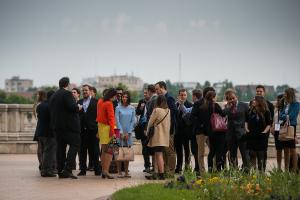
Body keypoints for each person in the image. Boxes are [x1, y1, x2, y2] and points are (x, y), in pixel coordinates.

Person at [49, 77, 81, 179]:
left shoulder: (54, 95)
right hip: (69, 127)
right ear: (67, 84)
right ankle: (67, 170)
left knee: (60, 149)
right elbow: (73, 107)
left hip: (57, 127)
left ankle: (60, 170)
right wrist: (79, 107)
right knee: (75, 144)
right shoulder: (67, 94)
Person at [77, 85, 101, 176]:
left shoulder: (96, 102)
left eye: (86, 90)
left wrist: (98, 130)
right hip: (82, 131)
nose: (84, 92)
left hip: (93, 130)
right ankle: (83, 170)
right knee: (82, 151)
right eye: (83, 91)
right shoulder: (79, 102)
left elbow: (99, 116)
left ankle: (97, 170)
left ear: (90, 91)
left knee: (95, 151)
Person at [223, 89, 250, 171]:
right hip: (231, 135)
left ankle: (246, 171)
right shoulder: (227, 107)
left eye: (233, 98)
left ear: (236, 97)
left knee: (245, 155)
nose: (232, 100)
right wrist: (228, 106)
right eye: (229, 99)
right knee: (232, 155)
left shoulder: (244, 105)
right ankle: (234, 171)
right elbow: (223, 113)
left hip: (242, 134)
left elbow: (248, 118)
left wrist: (247, 130)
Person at [145, 95, 170, 180]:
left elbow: (150, 123)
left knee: (158, 155)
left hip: (157, 136)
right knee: (158, 154)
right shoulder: (168, 111)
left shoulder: (156, 110)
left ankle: (161, 174)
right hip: (164, 136)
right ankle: (156, 173)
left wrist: (147, 133)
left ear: (157, 101)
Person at [191, 87, 215, 174]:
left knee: (213, 151)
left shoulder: (213, 104)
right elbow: (192, 116)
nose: (213, 96)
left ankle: (213, 170)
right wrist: (200, 125)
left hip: (211, 132)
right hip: (200, 132)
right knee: (201, 153)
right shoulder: (198, 103)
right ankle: (202, 172)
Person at [155, 81, 177, 174]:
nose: (156, 91)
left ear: (162, 87)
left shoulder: (169, 98)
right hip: (163, 129)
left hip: (169, 129)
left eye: (157, 89)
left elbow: (174, 111)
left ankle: (171, 171)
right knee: (164, 151)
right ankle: (165, 170)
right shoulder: (161, 98)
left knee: (170, 151)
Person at [246, 96, 272, 172]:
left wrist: (264, 132)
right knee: (252, 154)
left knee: (261, 155)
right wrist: (246, 129)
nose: (253, 101)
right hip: (251, 135)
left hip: (261, 136)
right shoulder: (250, 111)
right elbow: (246, 121)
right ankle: (254, 171)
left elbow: (269, 123)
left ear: (259, 102)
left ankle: (261, 172)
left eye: (255, 100)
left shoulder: (266, 111)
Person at [203, 91, 227, 172]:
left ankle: (210, 170)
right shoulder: (215, 105)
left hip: (210, 133)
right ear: (213, 97)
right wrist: (225, 106)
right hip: (219, 132)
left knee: (212, 152)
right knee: (219, 152)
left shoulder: (204, 106)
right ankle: (218, 170)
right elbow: (223, 114)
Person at [97, 88, 117, 179]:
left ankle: (103, 171)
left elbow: (98, 116)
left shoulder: (100, 101)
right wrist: (113, 131)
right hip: (109, 128)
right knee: (111, 151)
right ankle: (106, 171)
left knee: (104, 150)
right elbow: (111, 118)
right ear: (112, 96)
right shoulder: (109, 103)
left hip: (101, 127)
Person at [35, 90, 56, 177]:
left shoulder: (40, 105)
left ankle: (44, 169)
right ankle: (47, 171)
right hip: (49, 132)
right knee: (48, 152)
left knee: (43, 151)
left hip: (40, 132)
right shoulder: (51, 106)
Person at [115, 91, 136, 178]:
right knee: (118, 151)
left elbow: (133, 121)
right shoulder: (118, 108)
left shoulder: (132, 108)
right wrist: (121, 133)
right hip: (118, 131)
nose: (124, 98)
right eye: (123, 97)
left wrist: (129, 132)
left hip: (129, 132)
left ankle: (126, 172)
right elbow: (117, 120)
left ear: (128, 98)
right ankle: (119, 172)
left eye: (126, 97)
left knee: (127, 151)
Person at [279, 88, 300, 172]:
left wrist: (285, 116)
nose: (284, 95)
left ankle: (294, 169)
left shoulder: (296, 104)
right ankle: (286, 169)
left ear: (289, 94)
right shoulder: (286, 104)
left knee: (292, 149)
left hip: (291, 127)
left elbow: (292, 116)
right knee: (285, 149)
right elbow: (281, 115)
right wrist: (286, 116)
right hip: (285, 126)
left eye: (285, 93)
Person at [255, 85, 274, 171]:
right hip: (254, 131)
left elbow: (271, 120)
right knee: (253, 151)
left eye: (260, 91)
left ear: (264, 92)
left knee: (263, 151)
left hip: (264, 132)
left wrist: (266, 131)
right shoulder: (253, 103)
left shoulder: (269, 104)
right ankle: (254, 170)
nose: (259, 93)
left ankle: (262, 169)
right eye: (257, 91)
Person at [175, 88, 193, 174]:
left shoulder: (190, 105)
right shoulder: (175, 104)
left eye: (184, 95)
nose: (183, 96)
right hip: (177, 131)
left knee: (187, 150)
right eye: (181, 95)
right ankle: (178, 167)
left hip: (186, 131)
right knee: (178, 151)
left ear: (187, 95)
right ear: (178, 96)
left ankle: (187, 167)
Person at [135, 87, 151, 173]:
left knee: (150, 147)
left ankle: (153, 165)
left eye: (146, 93)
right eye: (144, 93)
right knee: (144, 147)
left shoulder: (153, 101)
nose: (145, 95)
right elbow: (137, 112)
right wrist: (141, 108)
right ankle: (147, 165)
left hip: (149, 126)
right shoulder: (142, 101)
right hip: (142, 126)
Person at [33, 90, 47, 172]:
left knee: (40, 147)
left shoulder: (36, 105)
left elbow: (36, 116)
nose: (37, 96)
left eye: (38, 95)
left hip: (39, 127)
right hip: (44, 127)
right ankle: (43, 164)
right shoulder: (43, 104)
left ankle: (41, 163)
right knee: (44, 148)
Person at [270, 94, 284, 170]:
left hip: (283, 130)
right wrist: (272, 127)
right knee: (278, 150)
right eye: (277, 100)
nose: (277, 101)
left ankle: (286, 167)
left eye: (279, 100)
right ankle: (279, 167)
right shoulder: (276, 109)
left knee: (285, 150)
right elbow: (274, 120)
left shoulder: (285, 109)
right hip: (276, 131)